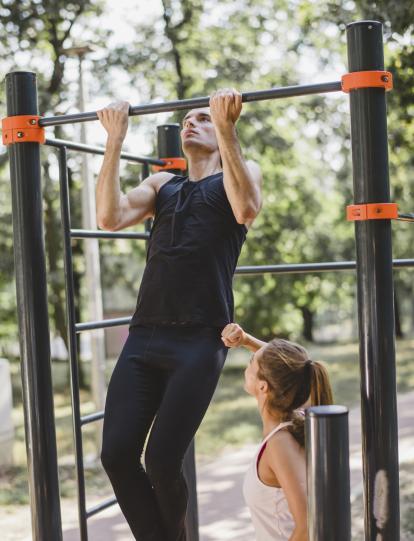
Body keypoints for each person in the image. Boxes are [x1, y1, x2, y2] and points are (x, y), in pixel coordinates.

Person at [95, 89, 262, 541]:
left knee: (163, 462)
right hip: (144, 336)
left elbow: (246, 208)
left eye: (203, 119)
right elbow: (108, 217)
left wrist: (226, 128)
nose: (192, 123)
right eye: (188, 119)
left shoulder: (239, 176)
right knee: (115, 455)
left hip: (199, 340)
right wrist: (115, 140)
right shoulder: (162, 186)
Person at [221, 322, 334, 541]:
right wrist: (246, 340)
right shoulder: (295, 420)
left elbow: (307, 526)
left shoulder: (280, 443)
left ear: (263, 386)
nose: (248, 362)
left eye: (252, 362)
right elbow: (296, 370)